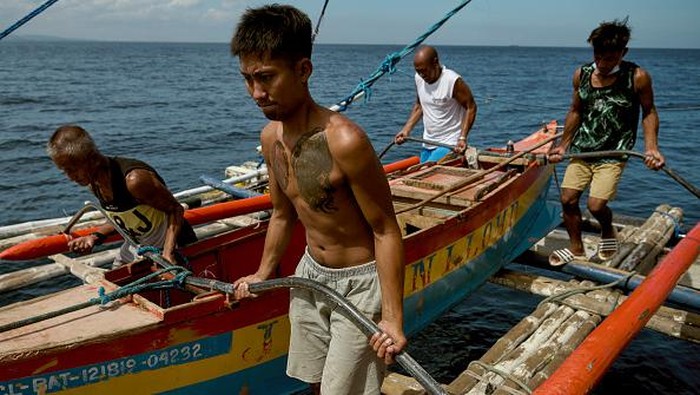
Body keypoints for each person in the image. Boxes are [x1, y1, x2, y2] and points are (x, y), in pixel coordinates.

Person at [229, 4, 406, 395]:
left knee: (343, 390)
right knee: (312, 381)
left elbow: (386, 229)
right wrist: (263, 273)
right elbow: (280, 214)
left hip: (359, 284)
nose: (256, 93)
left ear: (303, 70)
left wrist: (393, 320)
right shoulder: (269, 138)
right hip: (308, 276)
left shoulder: (346, 141)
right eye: (247, 79)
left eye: (266, 78)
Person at [548, 19, 665, 266]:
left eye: (609, 59)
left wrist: (651, 147)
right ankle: (576, 248)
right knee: (567, 200)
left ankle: (607, 230)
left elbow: (649, 112)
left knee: (596, 205)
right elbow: (575, 110)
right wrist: (562, 145)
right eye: (598, 56)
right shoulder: (582, 74)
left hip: (614, 152)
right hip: (582, 149)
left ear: (624, 53)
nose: (601, 64)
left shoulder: (638, 77)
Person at [47, 125, 197, 267]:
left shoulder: (135, 181)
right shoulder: (95, 185)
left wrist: (168, 252)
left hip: (173, 247)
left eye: (73, 169)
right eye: (65, 171)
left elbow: (175, 209)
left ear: (91, 159)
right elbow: (122, 219)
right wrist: (94, 237)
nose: (70, 177)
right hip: (139, 248)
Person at [394, 45, 477, 163]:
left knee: (424, 171)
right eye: (418, 72)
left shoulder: (452, 80)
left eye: (424, 71)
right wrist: (406, 130)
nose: (422, 75)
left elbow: (471, 107)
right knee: (419, 170)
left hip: (449, 144)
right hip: (428, 142)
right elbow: (419, 106)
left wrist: (462, 137)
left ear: (435, 63)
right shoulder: (419, 78)